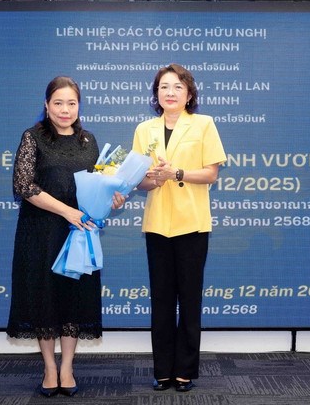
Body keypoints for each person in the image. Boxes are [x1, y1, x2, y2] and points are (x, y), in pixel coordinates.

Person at [6, 76, 125, 397]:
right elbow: (24, 186)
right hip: (41, 232)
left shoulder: (89, 141)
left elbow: (99, 185)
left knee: (74, 298)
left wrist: (113, 198)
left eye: (71, 103)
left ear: (79, 106)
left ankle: (67, 367)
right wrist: (67, 211)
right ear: (46, 105)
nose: (65, 109)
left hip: (79, 234)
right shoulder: (33, 137)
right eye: (58, 103)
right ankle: (49, 367)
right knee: (44, 298)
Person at [132, 63, 226, 392]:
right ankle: (162, 371)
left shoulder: (204, 124)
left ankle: (184, 371)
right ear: (156, 94)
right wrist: (154, 179)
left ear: (189, 94)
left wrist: (178, 173)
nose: (170, 93)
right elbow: (138, 180)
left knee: (188, 299)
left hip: (192, 225)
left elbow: (211, 173)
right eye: (164, 87)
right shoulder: (144, 129)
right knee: (160, 300)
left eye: (177, 87)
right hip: (158, 224)